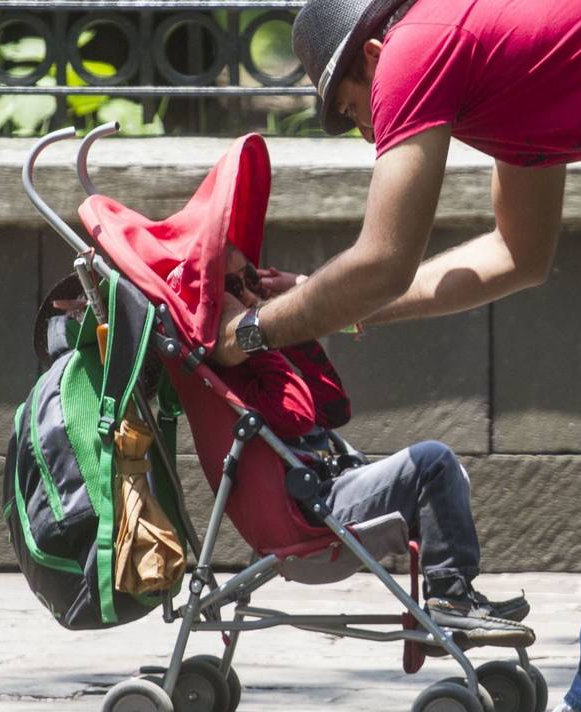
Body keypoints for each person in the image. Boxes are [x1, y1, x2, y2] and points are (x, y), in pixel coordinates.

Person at [211, 0, 581, 710]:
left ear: (372, 55)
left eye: (351, 109)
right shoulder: (491, 60)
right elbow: (517, 256)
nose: (363, 130)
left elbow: (382, 259)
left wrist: (248, 334)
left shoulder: (411, 50)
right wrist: (323, 299)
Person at [169, 244, 535, 646]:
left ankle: (453, 598)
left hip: (327, 489)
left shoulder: (253, 351)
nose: (250, 293)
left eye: (251, 277)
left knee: (446, 476)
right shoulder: (232, 366)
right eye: (234, 287)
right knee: (433, 463)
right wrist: (255, 334)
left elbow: (333, 407)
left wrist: (286, 319)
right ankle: (451, 600)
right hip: (312, 511)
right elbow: (296, 415)